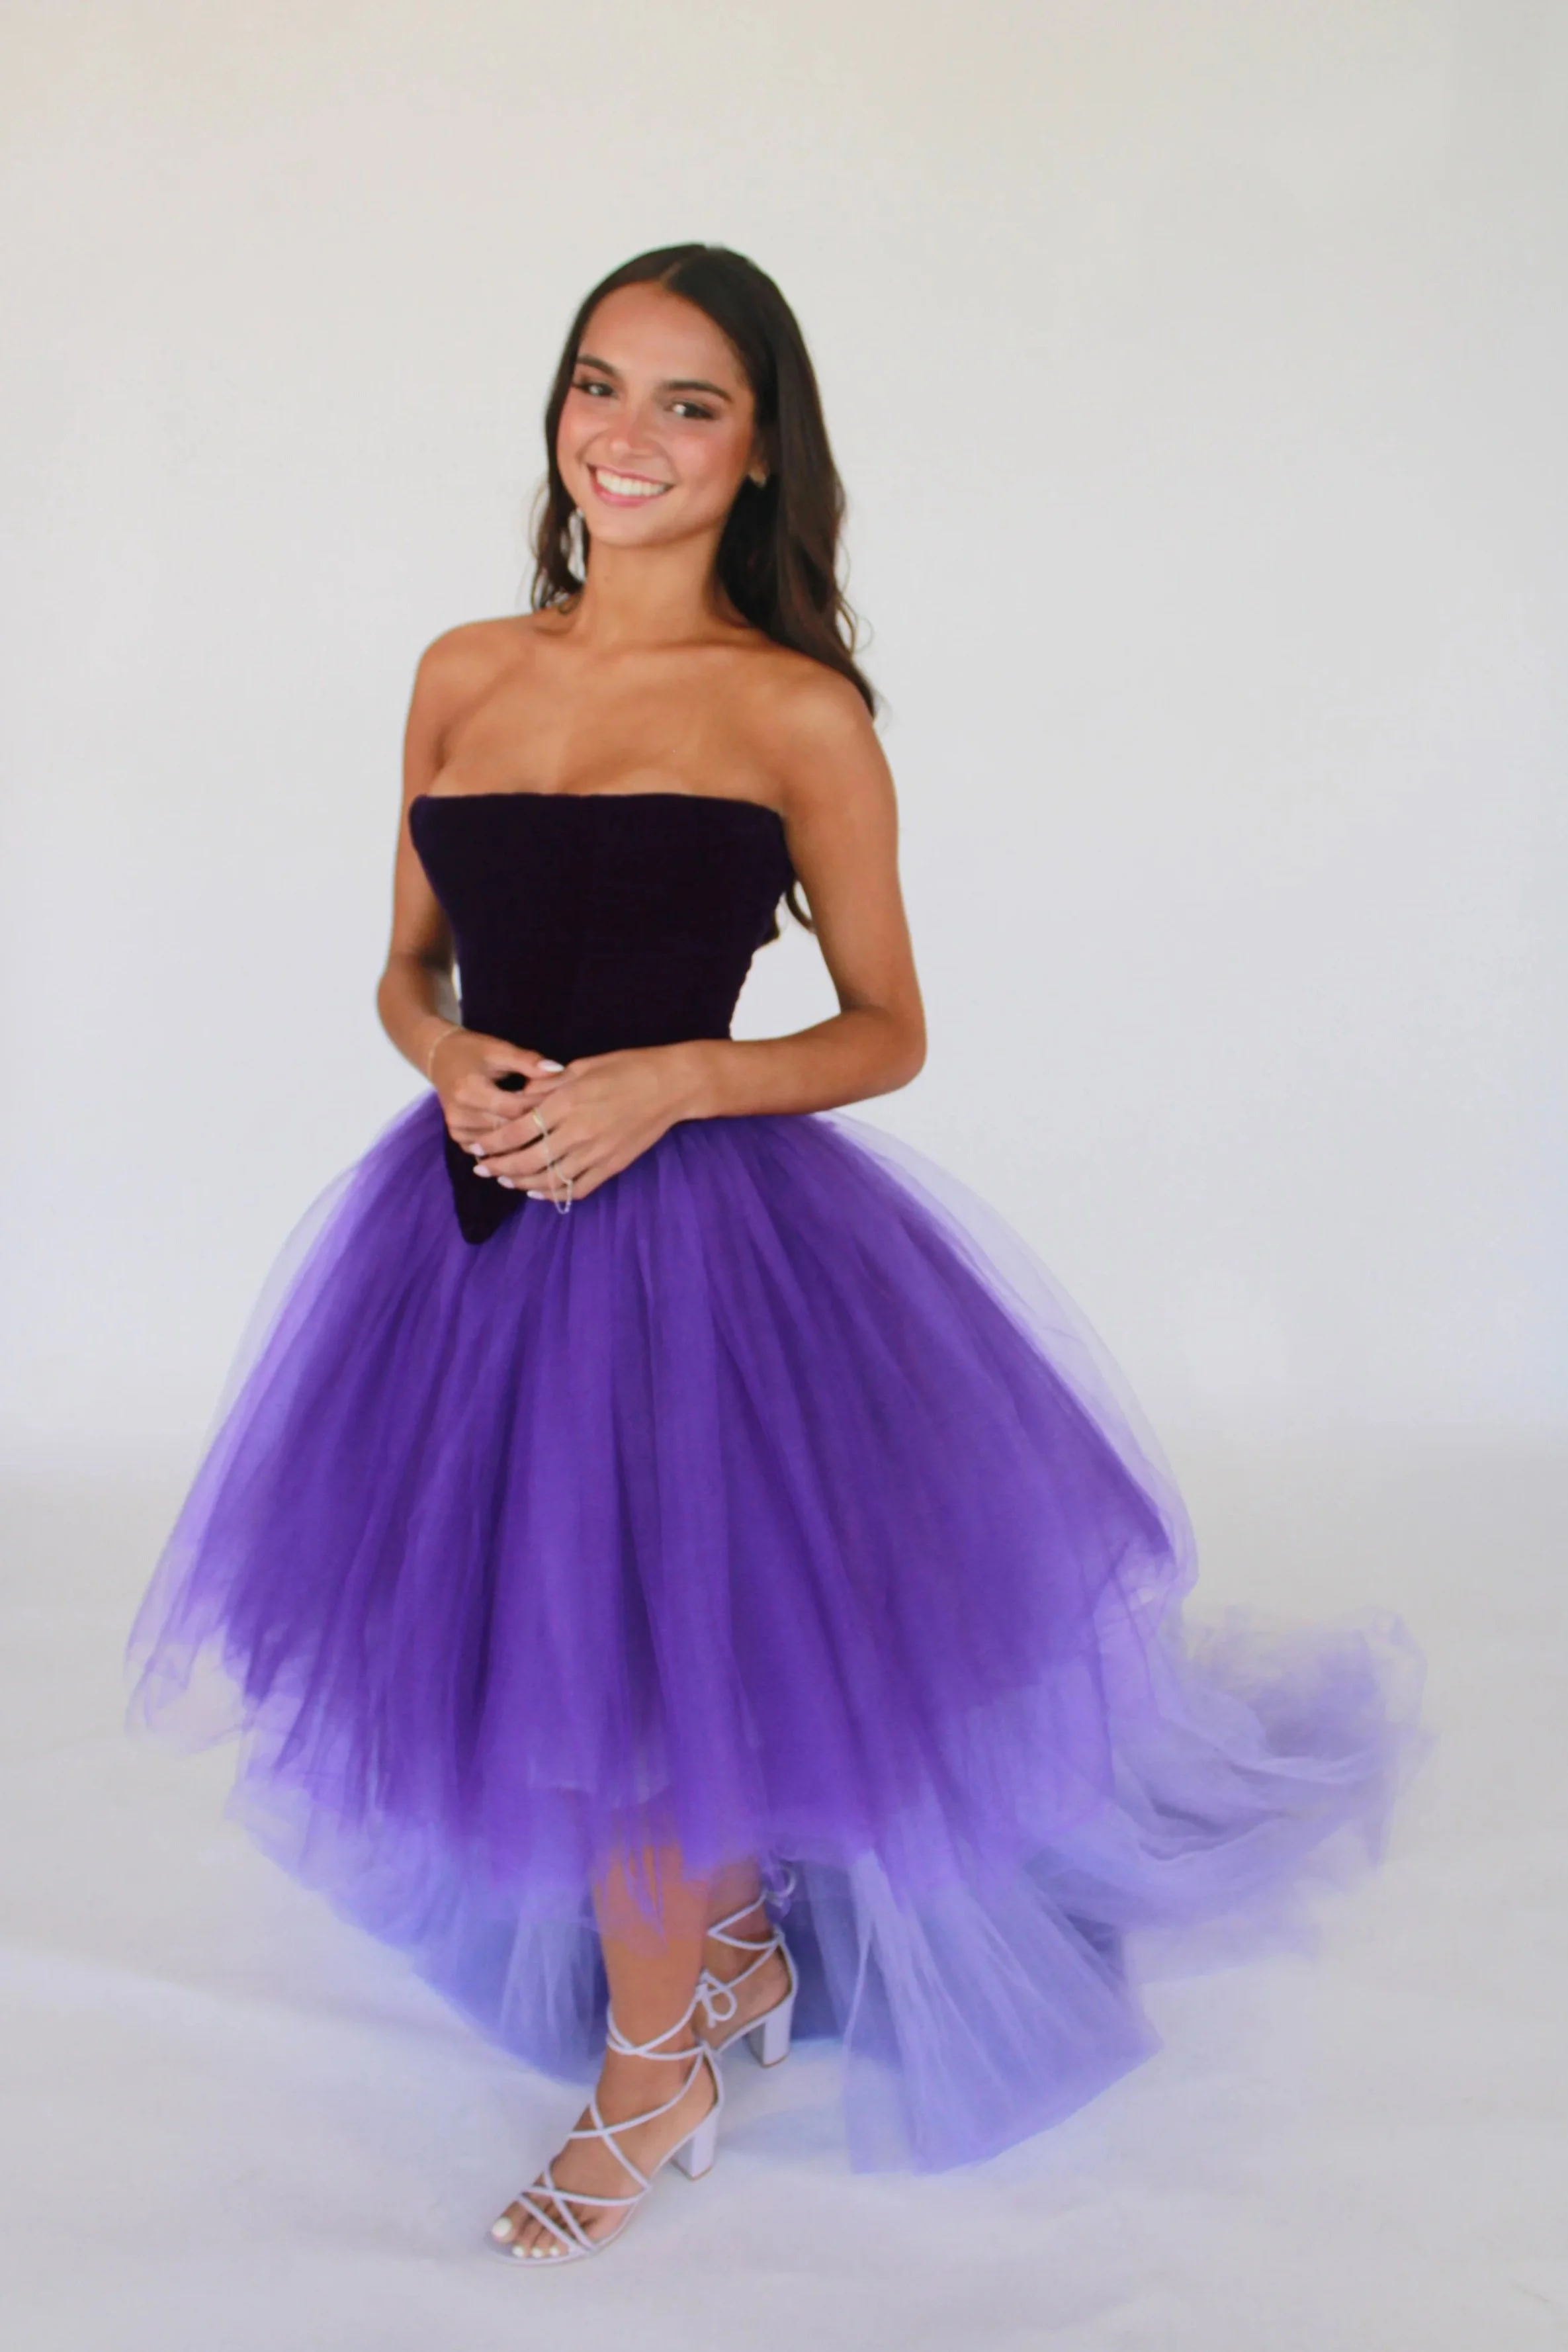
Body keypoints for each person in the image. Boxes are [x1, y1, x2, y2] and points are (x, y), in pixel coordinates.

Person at [128, 244, 1419, 2265]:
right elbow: (401, 962)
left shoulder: (794, 712)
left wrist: (675, 1083)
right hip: (466, 1225)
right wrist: (441, 1045)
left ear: (757, 455)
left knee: (646, 1642)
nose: (626, 436)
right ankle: (711, 1968)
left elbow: (889, 1028)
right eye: (599, 386)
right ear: (557, 417)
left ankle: (662, 2061)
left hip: (694, 1245)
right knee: (535, 1634)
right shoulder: (464, 667)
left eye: (688, 403)